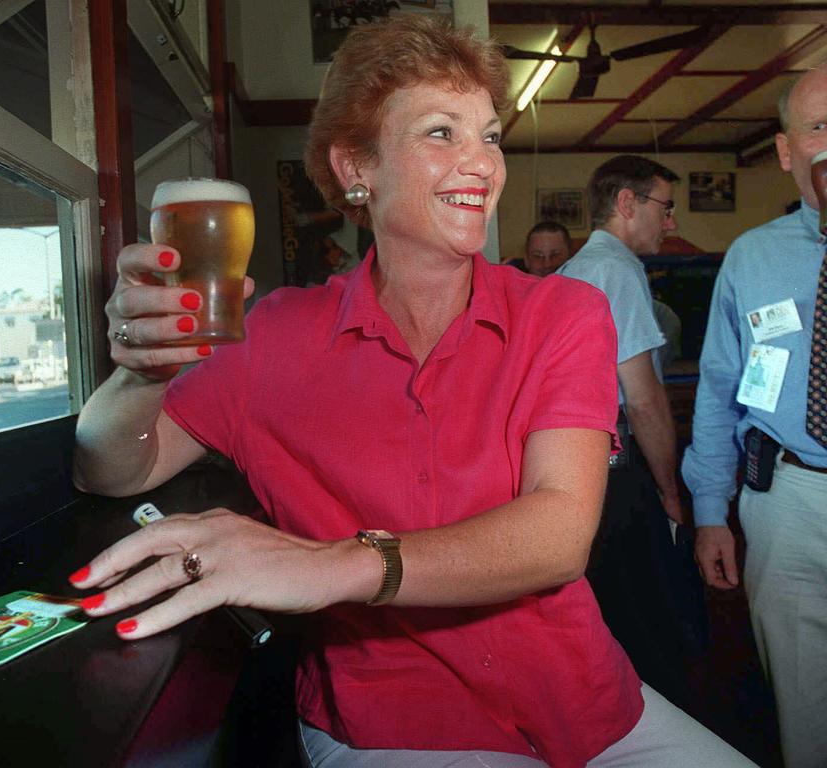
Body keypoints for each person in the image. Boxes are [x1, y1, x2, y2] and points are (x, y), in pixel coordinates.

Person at [71, 18, 750, 768]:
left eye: (489, 137)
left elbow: (559, 535)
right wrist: (139, 374)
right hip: (388, 716)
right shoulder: (274, 335)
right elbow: (112, 467)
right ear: (357, 165)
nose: (482, 164)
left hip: (579, 697)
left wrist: (326, 563)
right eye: (441, 132)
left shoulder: (561, 313)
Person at [682, 63, 827, 768]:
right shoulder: (752, 257)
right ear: (786, 150)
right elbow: (718, 388)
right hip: (788, 501)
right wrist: (712, 509)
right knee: (803, 701)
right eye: (819, 128)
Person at [556, 155, 707, 710]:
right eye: (664, 209)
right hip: (621, 471)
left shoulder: (575, 270)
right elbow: (642, 399)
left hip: (581, 465)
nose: (669, 224)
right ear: (627, 204)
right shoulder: (617, 270)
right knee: (656, 624)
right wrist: (671, 491)